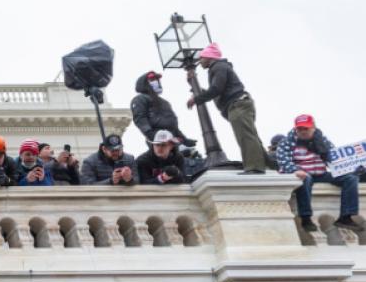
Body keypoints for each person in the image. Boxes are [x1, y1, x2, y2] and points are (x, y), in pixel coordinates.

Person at [186, 43, 266, 174]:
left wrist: (196, 99)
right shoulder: (219, 67)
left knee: (246, 137)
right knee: (249, 136)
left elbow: (216, 89)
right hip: (238, 105)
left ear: (208, 57)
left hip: (238, 105)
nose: (199, 61)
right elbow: (219, 91)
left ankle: (254, 168)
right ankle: (266, 165)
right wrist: (195, 87)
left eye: (201, 58)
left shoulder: (218, 67)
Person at [276, 114, 364, 233]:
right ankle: (306, 218)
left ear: (313, 127)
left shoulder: (323, 140)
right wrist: (294, 170)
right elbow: (283, 159)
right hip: (303, 173)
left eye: (305, 128)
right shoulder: (286, 142)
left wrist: (352, 167)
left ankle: (346, 217)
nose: (302, 131)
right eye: (299, 129)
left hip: (321, 173)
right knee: (305, 180)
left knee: (350, 178)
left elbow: (335, 160)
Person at [131, 71, 198, 148]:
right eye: (152, 80)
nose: (156, 81)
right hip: (158, 140)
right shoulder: (140, 99)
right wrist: (152, 136)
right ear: (144, 83)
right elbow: (140, 119)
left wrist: (185, 140)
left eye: (157, 79)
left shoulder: (165, 102)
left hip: (172, 140)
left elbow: (173, 126)